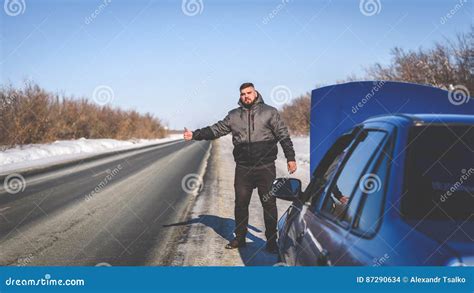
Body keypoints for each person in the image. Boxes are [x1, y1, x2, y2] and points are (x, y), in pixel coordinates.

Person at [183, 82, 297, 253]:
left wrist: (291, 158)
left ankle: (272, 241)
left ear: (255, 92)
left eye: (249, 93)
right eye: (243, 94)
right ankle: (241, 238)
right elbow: (216, 130)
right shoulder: (234, 115)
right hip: (243, 168)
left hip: (265, 167)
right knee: (241, 204)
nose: (246, 96)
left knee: (269, 204)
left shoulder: (269, 112)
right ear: (240, 96)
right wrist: (194, 135)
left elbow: (283, 135)